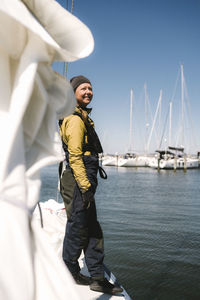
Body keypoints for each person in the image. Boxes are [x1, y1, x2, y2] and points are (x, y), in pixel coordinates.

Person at [59, 75, 123, 295]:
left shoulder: (82, 115)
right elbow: (75, 156)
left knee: (92, 228)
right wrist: (85, 187)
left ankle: (97, 277)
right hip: (79, 179)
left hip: (83, 178)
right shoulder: (75, 119)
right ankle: (70, 271)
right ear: (73, 93)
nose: (88, 92)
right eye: (83, 88)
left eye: (90, 88)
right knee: (78, 227)